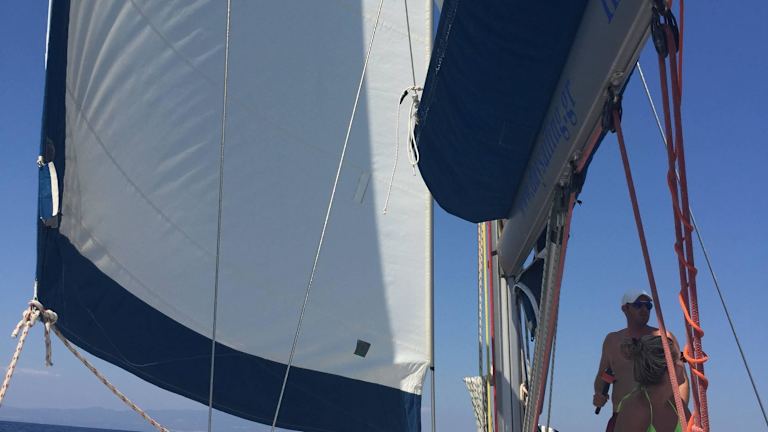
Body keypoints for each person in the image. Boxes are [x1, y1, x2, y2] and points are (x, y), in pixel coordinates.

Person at [593, 289, 689, 432]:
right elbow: (604, 374)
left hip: (660, 420)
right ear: (625, 309)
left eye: (648, 306)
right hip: (621, 417)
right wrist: (599, 394)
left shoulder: (665, 337)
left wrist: (679, 412)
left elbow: (681, 378)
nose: (644, 309)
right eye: (638, 305)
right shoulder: (612, 341)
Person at [613, 335, 691, 431]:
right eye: (680, 359)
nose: (683, 364)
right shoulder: (636, 408)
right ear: (668, 369)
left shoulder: (676, 403)